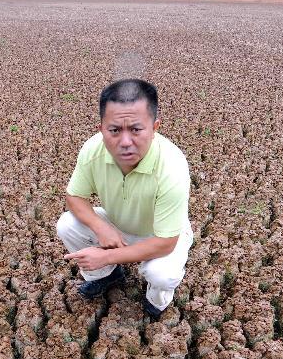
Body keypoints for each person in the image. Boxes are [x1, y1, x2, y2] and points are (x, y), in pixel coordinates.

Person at [56, 79, 194, 320]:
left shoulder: (172, 167)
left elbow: (165, 243)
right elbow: (74, 197)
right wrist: (101, 228)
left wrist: (105, 256)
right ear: (102, 129)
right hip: (117, 224)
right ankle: (107, 276)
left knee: (162, 274)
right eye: (115, 130)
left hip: (160, 234)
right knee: (67, 224)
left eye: (136, 129)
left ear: (155, 127)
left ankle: (156, 300)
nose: (126, 142)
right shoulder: (93, 151)